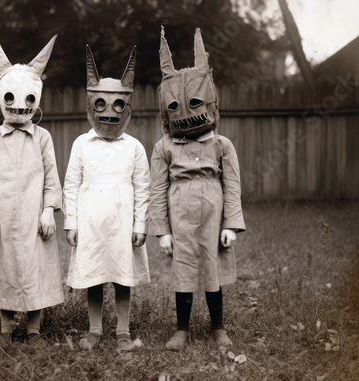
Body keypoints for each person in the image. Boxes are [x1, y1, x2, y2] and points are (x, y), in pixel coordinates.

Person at [149, 27, 246, 351]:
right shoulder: (163, 147)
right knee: (184, 268)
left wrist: (231, 223)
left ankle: (218, 326)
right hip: (180, 218)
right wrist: (162, 231)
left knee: (212, 266)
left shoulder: (221, 145)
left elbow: (232, 185)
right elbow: (156, 190)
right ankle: (182, 329)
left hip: (212, 217)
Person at [0, 28, 64, 346]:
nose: (18, 106)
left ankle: (34, 330)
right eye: (10, 97)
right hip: (3, 220)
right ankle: (5, 332)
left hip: (34, 219)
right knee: (5, 270)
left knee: (36, 269)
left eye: (27, 98)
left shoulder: (42, 138)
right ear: (1, 96)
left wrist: (49, 211)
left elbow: (52, 178)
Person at [63, 45, 150, 352]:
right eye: (101, 104)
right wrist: (70, 223)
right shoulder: (81, 144)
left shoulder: (134, 147)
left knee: (123, 277)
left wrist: (141, 224)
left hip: (123, 222)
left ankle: (123, 329)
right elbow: (71, 184)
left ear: (126, 107)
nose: (110, 113)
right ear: (91, 105)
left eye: (117, 105)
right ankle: (94, 328)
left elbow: (143, 187)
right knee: (94, 276)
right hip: (91, 222)